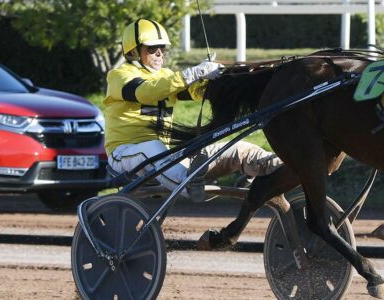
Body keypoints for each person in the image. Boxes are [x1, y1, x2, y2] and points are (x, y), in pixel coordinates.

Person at [104, 18, 282, 201]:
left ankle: (280, 167)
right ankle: (189, 184)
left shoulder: (167, 76)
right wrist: (194, 72)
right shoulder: (118, 76)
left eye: (162, 48)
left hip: (165, 157)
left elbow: (196, 92)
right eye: (152, 49)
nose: (159, 54)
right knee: (151, 148)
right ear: (133, 52)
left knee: (239, 149)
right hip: (124, 156)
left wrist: (221, 78)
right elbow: (147, 91)